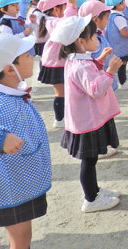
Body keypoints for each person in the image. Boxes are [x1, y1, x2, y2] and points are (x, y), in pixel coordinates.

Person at [0, 34, 52, 249]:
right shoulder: (0, 104)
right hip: (9, 184)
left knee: (23, 238)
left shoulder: (6, 93)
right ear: (11, 69)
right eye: (26, 55)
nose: (33, 57)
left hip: (17, 178)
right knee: (20, 241)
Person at [51, 15, 123, 212]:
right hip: (87, 120)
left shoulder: (76, 60)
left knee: (91, 160)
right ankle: (90, 199)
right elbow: (95, 88)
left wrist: (99, 61)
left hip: (86, 118)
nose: (96, 40)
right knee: (89, 160)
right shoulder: (81, 65)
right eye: (93, 37)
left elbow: (88, 77)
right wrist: (110, 70)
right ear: (80, 42)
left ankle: (94, 191)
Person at [37, 0, 75, 127]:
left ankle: (62, 117)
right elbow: (68, 23)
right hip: (56, 62)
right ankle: (59, 119)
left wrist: (70, 7)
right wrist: (72, 7)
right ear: (56, 9)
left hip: (57, 60)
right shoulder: (53, 21)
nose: (66, 9)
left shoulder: (50, 20)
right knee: (61, 93)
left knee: (64, 92)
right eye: (64, 7)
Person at [105, 0, 128, 91]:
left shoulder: (112, 15)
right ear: (119, 5)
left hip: (117, 45)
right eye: (124, 2)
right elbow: (123, 32)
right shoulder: (119, 18)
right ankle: (123, 82)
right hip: (121, 46)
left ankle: (124, 80)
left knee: (123, 63)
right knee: (122, 64)